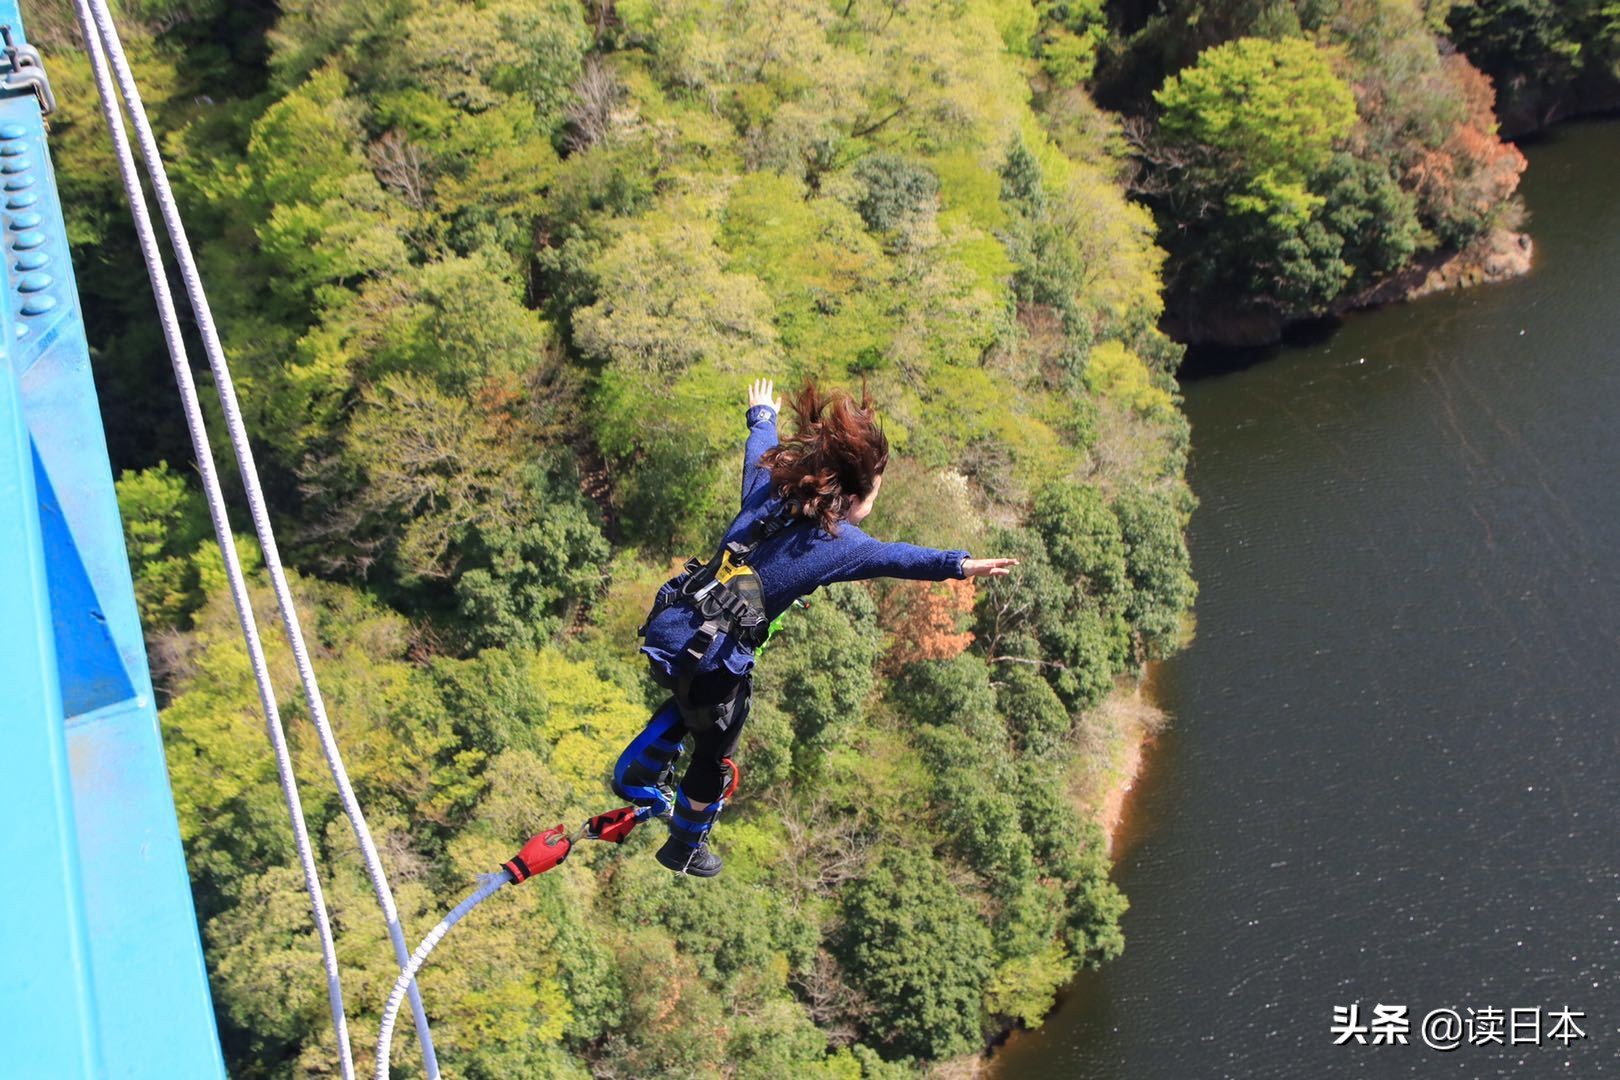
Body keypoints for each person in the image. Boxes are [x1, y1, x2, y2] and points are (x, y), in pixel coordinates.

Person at [613, 377, 1017, 876]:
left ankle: (646, 763)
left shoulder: (770, 492)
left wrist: (761, 415)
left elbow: (759, 449)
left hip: (669, 633)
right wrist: (960, 564)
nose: (872, 508)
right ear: (849, 497)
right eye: (872, 497)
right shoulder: (840, 545)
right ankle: (685, 846)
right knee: (714, 754)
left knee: (696, 705)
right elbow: (897, 558)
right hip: (713, 667)